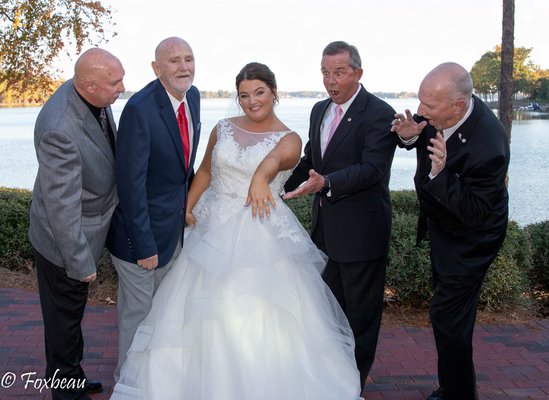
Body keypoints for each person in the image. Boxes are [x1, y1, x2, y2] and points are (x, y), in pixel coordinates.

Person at [110, 62, 363, 400]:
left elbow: (275, 160)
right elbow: (204, 172)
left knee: (251, 316)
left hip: (260, 237)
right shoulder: (223, 127)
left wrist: (260, 179)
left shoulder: (289, 138)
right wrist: (187, 206)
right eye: (244, 95)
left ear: (274, 92)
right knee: (194, 315)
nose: (251, 101)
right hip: (211, 232)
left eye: (259, 92)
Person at [390, 62, 510, 400]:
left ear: (457, 106)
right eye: (420, 102)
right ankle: (455, 387)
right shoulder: (438, 112)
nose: (422, 111)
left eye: (429, 106)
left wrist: (442, 174)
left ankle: (457, 394)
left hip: (472, 238)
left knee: (447, 316)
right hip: (444, 225)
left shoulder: (489, 145)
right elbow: (417, 136)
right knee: (452, 316)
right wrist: (409, 135)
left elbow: (474, 212)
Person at [283, 41, 398, 391]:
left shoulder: (379, 113)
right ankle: (330, 381)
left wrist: (327, 182)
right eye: (324, 72)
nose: (330, 81)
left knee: (360, 319)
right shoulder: (318, 110)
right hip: (324, 235)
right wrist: (273, 186)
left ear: (357, 73)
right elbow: (310, 162)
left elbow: (372, 169)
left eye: (339, 73)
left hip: (362, 235)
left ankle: (352, 387)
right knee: (326, 315)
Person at [28, 48, 125, 400]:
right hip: (62, 242)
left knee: (71, 317)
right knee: (63, 323)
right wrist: (80, 262)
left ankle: (72, 375)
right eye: (115, 83)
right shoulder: (59, 128)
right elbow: (61, 205)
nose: (121, 88)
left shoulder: (94, 93)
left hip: (85, 227)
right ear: (88, 84)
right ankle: (65, 390)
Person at [106, 36, 201, 381]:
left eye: (188, 59)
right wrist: (143, 245)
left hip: (172, 231)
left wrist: (190, 210)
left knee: (164, 315)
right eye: (173, 60)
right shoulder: (140, 109)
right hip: (138, 241)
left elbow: (182, 169)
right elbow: (130, 185)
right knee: (138, 316)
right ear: (156, 68)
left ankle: (155, 383)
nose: (183, 67)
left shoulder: (193, 96)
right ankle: (127, 384)